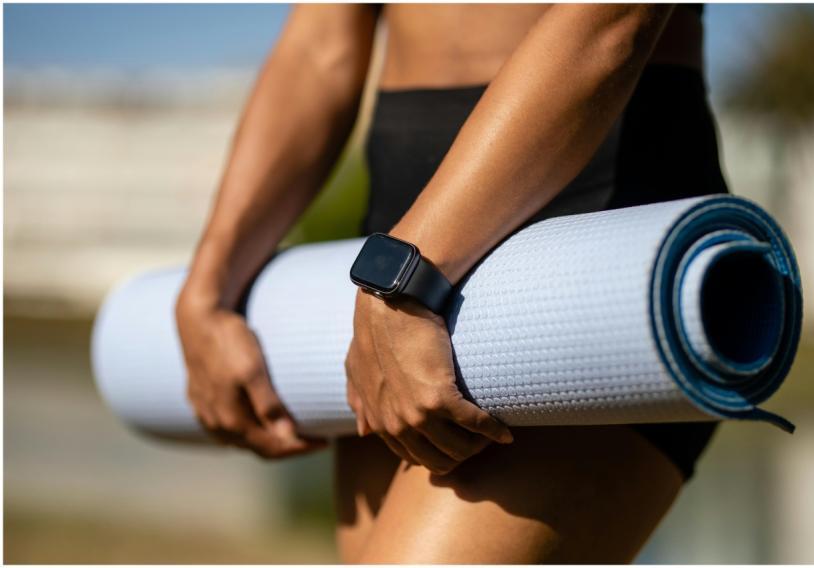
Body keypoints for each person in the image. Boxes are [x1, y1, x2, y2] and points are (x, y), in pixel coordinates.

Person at [176, 4, 725, 563]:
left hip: (595, 205)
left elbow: (615, 17)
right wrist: (208, 290)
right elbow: (321, 44)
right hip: (403, 204)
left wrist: (409, 273)